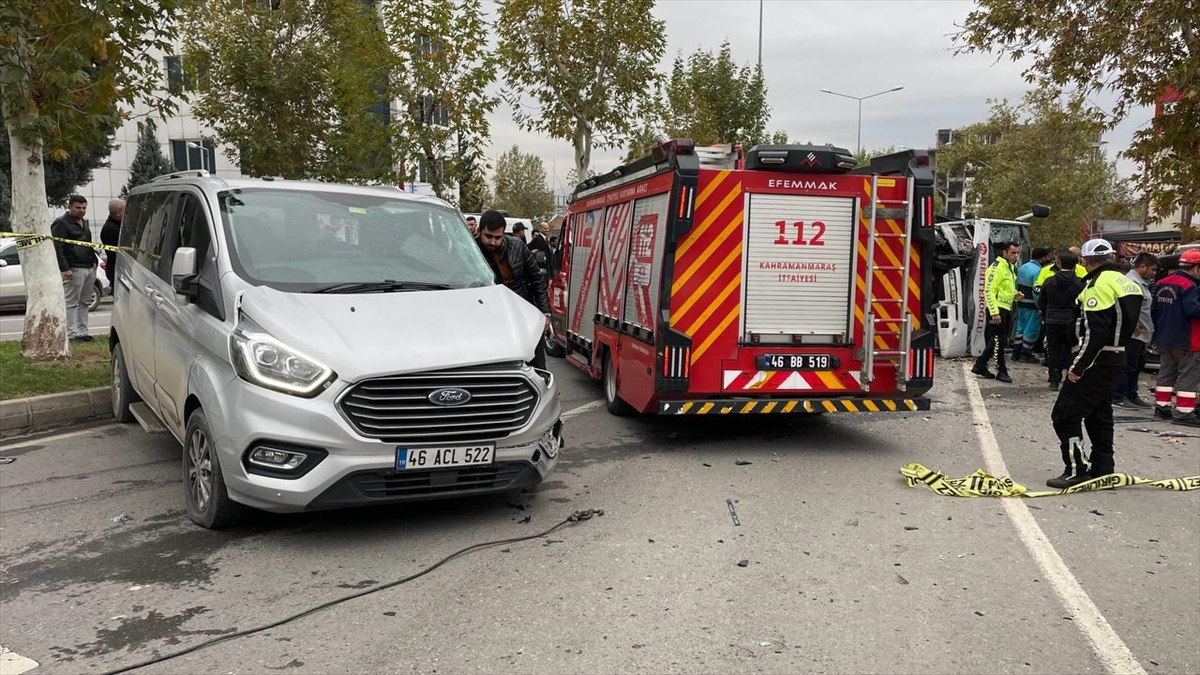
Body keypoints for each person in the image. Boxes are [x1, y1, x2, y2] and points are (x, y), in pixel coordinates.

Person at [1047, 238, 1143, 488]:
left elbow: (1095, 332)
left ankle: (1076, 469)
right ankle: (1103, 467)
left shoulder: (1097, 285)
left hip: (1096, 360)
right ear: (1111, 257)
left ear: (1085, 261)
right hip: (1118, 356)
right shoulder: (1128, 283)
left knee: (1064, 415)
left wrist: (1077, 366)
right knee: (1099, 414)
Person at [477, 210, 550, 369]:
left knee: (536, 364)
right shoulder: (472, 249)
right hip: (490, 317)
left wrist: (545, 312)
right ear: (479, 231)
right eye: (488, 237)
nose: (493, 242)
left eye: (497, 237)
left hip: (522, 310)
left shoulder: (517, 245)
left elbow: (536, 279)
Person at [1150, 248, 1200, 427]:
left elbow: (1154, 311)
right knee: (1188, 376)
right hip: (1187, 340)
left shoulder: (1163, 283)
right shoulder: (1190, 286)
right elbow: (1193, 310)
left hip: (1165, 338)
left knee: (1166, 374)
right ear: (1196, 268)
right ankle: (1184, 413)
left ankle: (1161, 407)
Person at [1112, 252, 1158, 408]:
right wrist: (1132, 324)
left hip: (1142, 333)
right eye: (1152, 269)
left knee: (1136, 366)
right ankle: (1118, 396)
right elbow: (1126, 306)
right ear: (1142, 266)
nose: (1153, 273)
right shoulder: (1130, 282)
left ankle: (1131, 394)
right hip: (1132, 333)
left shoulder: (1141, 283)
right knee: (1127, 366)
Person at [51, 195, 99, 343]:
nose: (81, 210)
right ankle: (71, 334)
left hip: (89, 266)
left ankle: (83, 332)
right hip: (73, 268)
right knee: (71, 302)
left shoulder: (84, 222)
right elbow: (57, 247)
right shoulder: (61, 223)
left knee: (85, 302)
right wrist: (65, 268)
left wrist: (94, 260)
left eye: (84, 208)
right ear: (70, 206)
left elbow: (88, 243)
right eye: (78, 207)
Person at [972, 242, 1022, 382]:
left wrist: (1015, 295)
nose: (1016, 256)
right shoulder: (997, 267)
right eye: (1013, 253)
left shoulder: (1009, 267)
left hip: (1005, 308)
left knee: (997, 341)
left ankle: (980, 365)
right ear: (1004, 253)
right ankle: (1001, 370)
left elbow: (1004, 289)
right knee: (999, 342)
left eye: (1017, 252)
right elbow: (988, 291)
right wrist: (994, 312)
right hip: (997, 309)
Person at [1038, 250, 1085, 390]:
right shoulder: (1080, 283)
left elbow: (1042, 302)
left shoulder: (1049, 281)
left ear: (1058, 263)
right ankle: (1070, 377)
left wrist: (1046, 315)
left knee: (1053, 350)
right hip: (1072, 321)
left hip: (1052, 319)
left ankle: (1053, 379)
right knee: (1073, 350)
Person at [1013, 247, 1052, 362]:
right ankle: (1025, 354)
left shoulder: (1023, 267)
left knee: (1020, 329)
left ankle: (1016, 353)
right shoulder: (1038, 271)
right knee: (1031, 330)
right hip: (1032, 305)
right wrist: (1041, 306)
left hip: (1021, 303)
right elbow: (1036, 291)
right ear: (1043, 257)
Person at [100, 198, 123, 285]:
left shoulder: (119, 225)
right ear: (118, 213)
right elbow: (114, 252)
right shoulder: (111, 229)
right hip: (117, 268)